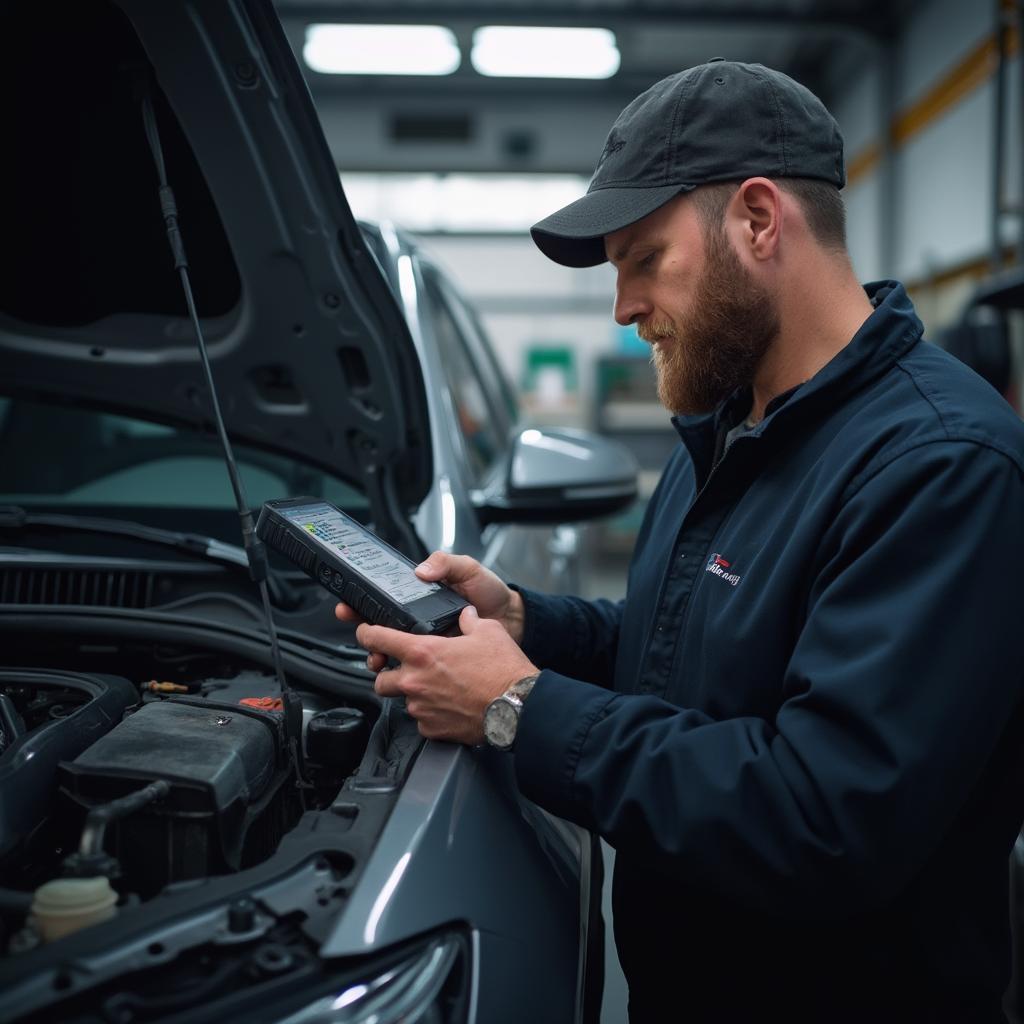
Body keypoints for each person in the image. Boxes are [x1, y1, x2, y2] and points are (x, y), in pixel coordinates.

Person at [337, 60, 1024, 1022]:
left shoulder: (941, 465)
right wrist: (528, 621)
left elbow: (822, 814)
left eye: (643, 259)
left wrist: (519, 710)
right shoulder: (731, 422)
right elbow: (688, 655)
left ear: (756, 219)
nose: (622, 309)